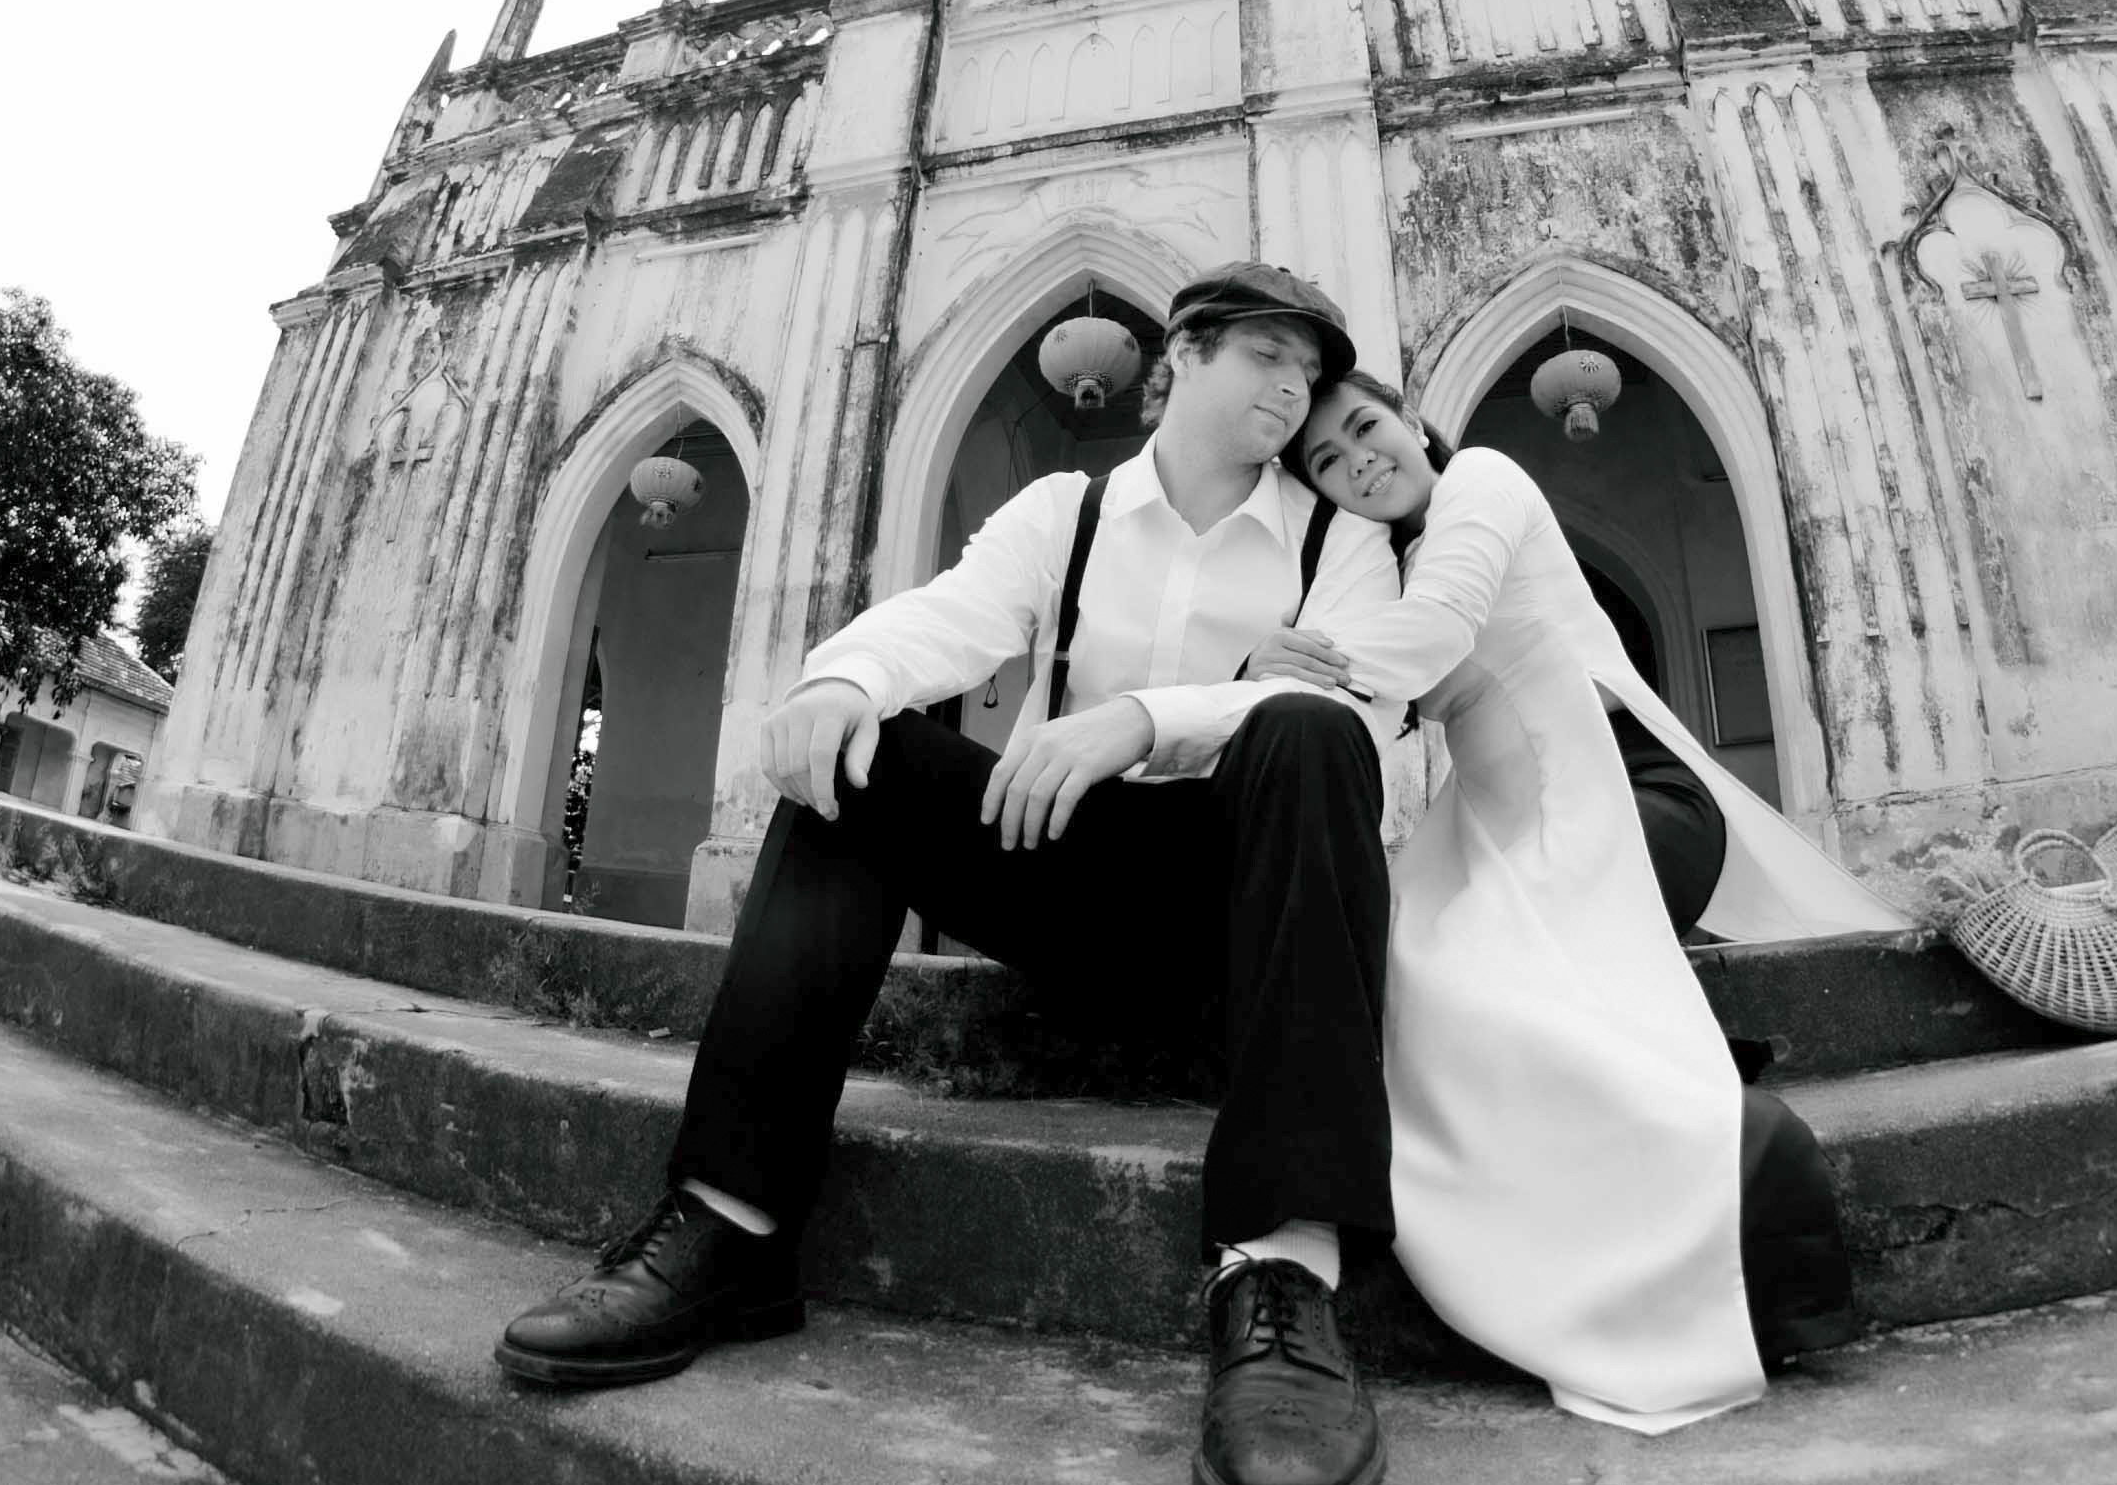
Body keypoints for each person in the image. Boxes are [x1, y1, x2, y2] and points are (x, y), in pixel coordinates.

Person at [496, 263, 1406, 1485]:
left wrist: (1142, 718)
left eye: (1311, 370)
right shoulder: (1066, 512)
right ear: (1183, 352)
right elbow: (951, 614)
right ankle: (733, 1222)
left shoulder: (1341, 540)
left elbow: (1352, 707)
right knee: (859, 751)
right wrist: (838, 681)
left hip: (1234, 914)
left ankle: (1282, 1273)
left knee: (1309, 732)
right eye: (1267, 355)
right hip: (1062, 879)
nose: (1295, 388)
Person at [1256, 370, 1913, 1434]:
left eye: (1365, 428)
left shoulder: (1482, 478)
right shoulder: (1379, 563)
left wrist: (1259, 676)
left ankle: (1723, 1171)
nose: (1357, 461)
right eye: (1327, 461)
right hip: (1505, 822)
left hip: (1630, 791)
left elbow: (1428, 640)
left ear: (1411, 423)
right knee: (1408, 970)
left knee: (1491, 977)